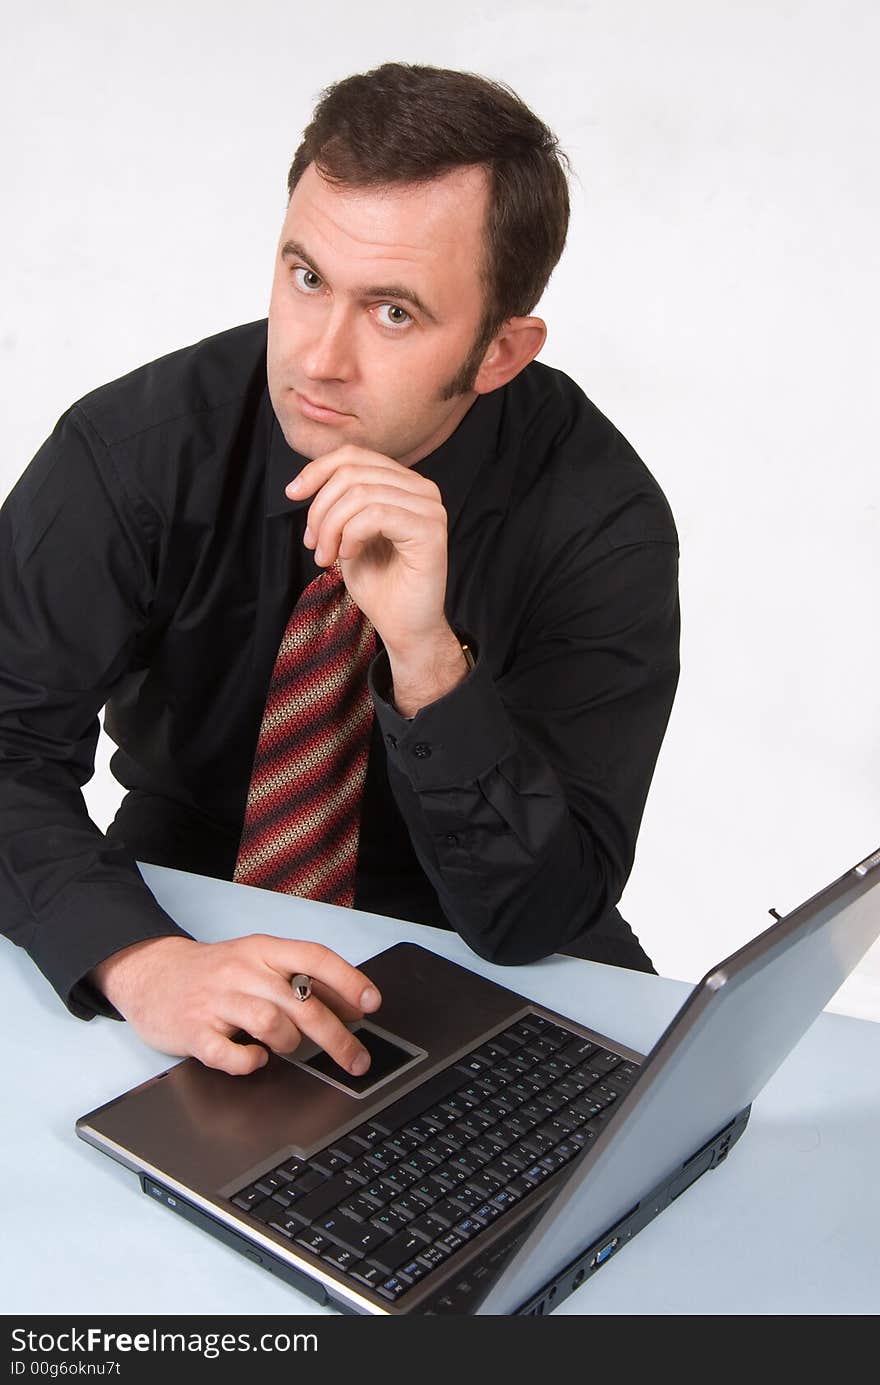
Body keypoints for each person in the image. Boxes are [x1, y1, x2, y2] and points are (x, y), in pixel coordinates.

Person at [0, 62, 680, 1080]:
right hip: (195, 884)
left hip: (480, 918)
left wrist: (425, 654)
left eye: (393, 312)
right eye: (306, 276)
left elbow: (540, 907)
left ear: (501, 350)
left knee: (652, 1148)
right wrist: (143, 962)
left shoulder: (597, 518)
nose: (319, 357)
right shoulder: (137, 451)